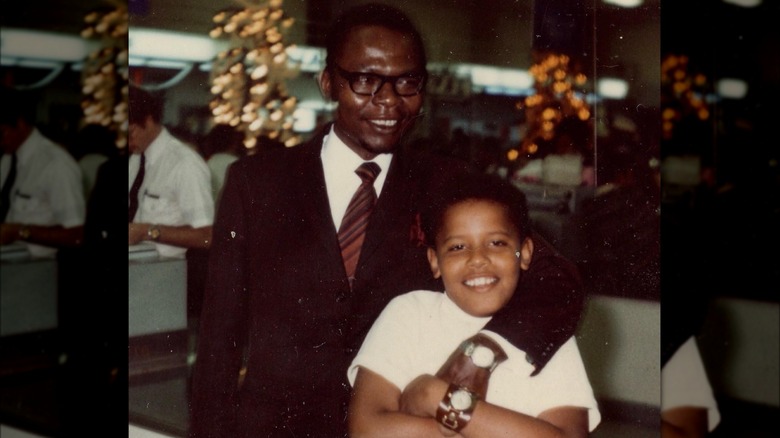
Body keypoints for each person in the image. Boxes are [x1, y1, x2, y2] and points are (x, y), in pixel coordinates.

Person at [190, 4, 584, 437]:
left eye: (407, 83)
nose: (389, 102)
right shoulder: (257, 183)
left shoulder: (446, 183)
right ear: (328, 83)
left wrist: (484, 350)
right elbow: (219, 339)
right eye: (364, 80)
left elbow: (557, 279)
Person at [347, 173, 600, 437]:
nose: (478, 259)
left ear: (524, 253)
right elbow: (367, 430)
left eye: (496, 243)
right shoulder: (409, 314)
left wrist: (434, 395)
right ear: (434, 261)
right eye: (457, 247)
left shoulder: (546, 333)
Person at [127, 85, 214, 258]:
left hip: (169, 273)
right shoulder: (136, 159)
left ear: (149, 120)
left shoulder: (184, 164)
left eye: (130, 134)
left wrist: (148, 232)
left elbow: (207, 237)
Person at [0, 87, 85, 257]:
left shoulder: (56, 164)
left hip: (40, 271)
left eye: (1, 133)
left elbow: (77, 235)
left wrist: (18, 232)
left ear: (20, 123)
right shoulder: (7, 160)